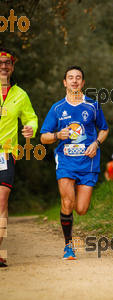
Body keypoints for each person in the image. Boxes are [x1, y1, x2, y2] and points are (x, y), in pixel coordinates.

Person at [40, 66, 109, 260]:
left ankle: (79, 193)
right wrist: (56, 135)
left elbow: (104, 129)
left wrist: (96, 143)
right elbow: (44, 137)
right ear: (64, 82)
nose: (74, 81)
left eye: (78, 78)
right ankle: (68, 246)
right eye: (70, 78)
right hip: (66, 162)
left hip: (88, 162)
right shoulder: (57, 108)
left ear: (83, 82)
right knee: (67, 202)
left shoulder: (92, 106)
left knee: (81, 209)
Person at [0, 48, 38, 267]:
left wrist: (30, 128)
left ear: (12, 67)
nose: (4, 66)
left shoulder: (20, 95)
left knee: (2, 200)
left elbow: (31, 117)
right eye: (0, 62)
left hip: (5, 153)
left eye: (8, 63)